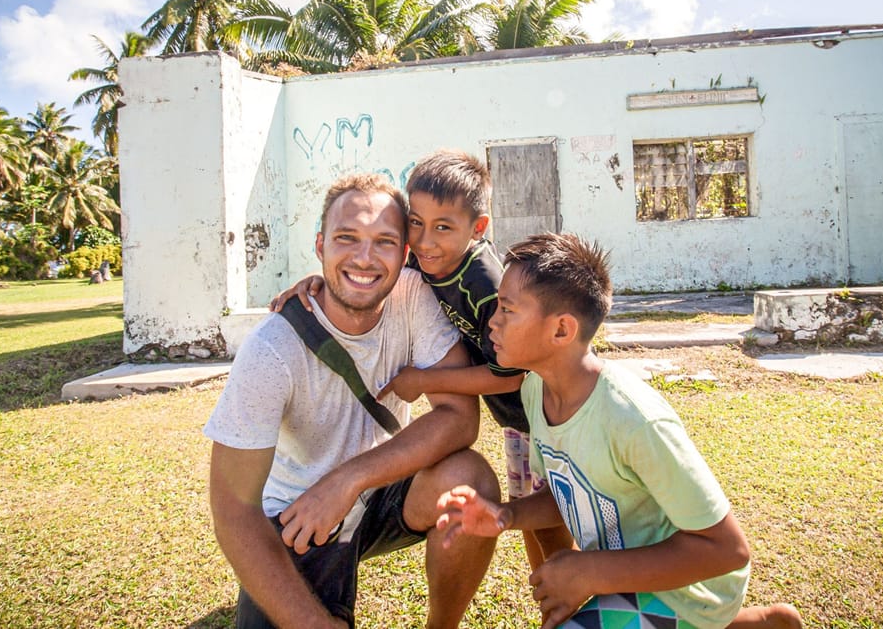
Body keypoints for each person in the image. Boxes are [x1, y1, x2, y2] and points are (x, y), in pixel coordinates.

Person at [435, 233, 804, 629]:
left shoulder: (634, 419)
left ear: (562, 331)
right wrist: (505, 515)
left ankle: (723, 621)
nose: (492, 321)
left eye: (507, 309)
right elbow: (567, 492)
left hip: (691, 590)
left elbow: (728, 551)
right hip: (628, 580)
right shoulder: (534, 390)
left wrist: (590, 572)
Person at [206, 173, 500, 629]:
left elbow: (460, 418)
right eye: (347, 238)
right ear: (320, 246)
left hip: (381, 490)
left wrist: (348, 480)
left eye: (384, 241)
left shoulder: (411, 294)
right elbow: (233, 510)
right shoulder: (270, 350)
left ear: (404, 255)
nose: (364, 257)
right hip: (300, 516)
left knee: (469, 480)